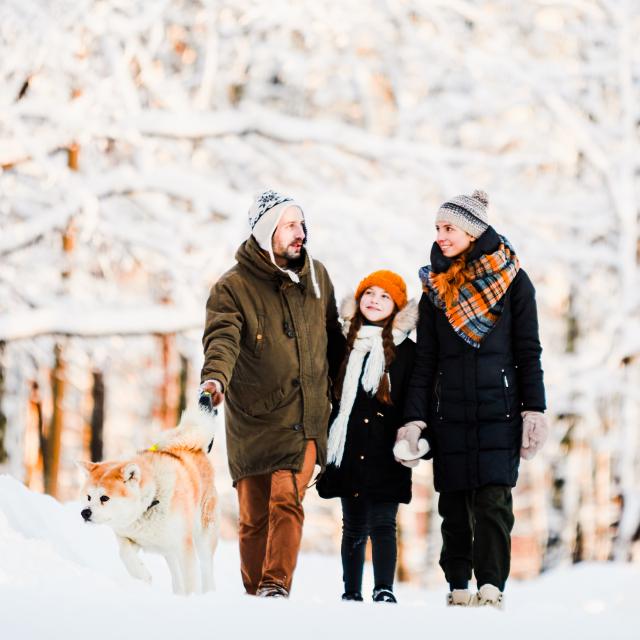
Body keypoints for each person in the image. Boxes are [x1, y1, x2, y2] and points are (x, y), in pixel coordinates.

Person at [398, 190, 548, 608]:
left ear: (472, 231)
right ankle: (458, 586)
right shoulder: (434, 287)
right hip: (451, 414)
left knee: (493, 503)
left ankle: (492, 588)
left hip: (500, 411)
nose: (441, 236)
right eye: (438, 229)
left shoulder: (514, 280)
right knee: (454, 505)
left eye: (449, 228)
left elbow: (527, 351)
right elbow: (425, 361)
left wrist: (534, 409)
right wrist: (415, 419)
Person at [200, 189, 343, 598]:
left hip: (306, 417)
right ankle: (254, 593)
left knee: (287, 497)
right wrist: (214, 380)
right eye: (290, 225)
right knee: (252, 518)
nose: (301, 233)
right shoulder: (232, 288)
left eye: (302, 224)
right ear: (267, 233)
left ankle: (275, 586)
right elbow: (222, 339)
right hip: (254, 419)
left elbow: (333, 339)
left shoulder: (318, 276)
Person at [317, 270, 420, 604]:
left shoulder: (407, 351)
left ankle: (384, 589)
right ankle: (350, 592)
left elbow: (413, 399)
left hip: (385, 448)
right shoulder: (343, 341)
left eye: (384, 296)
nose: (374, 300)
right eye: (369, 293)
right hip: (348, 446)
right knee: (353, 524)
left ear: (397, 306)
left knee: (384, 523)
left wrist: (411, 438)